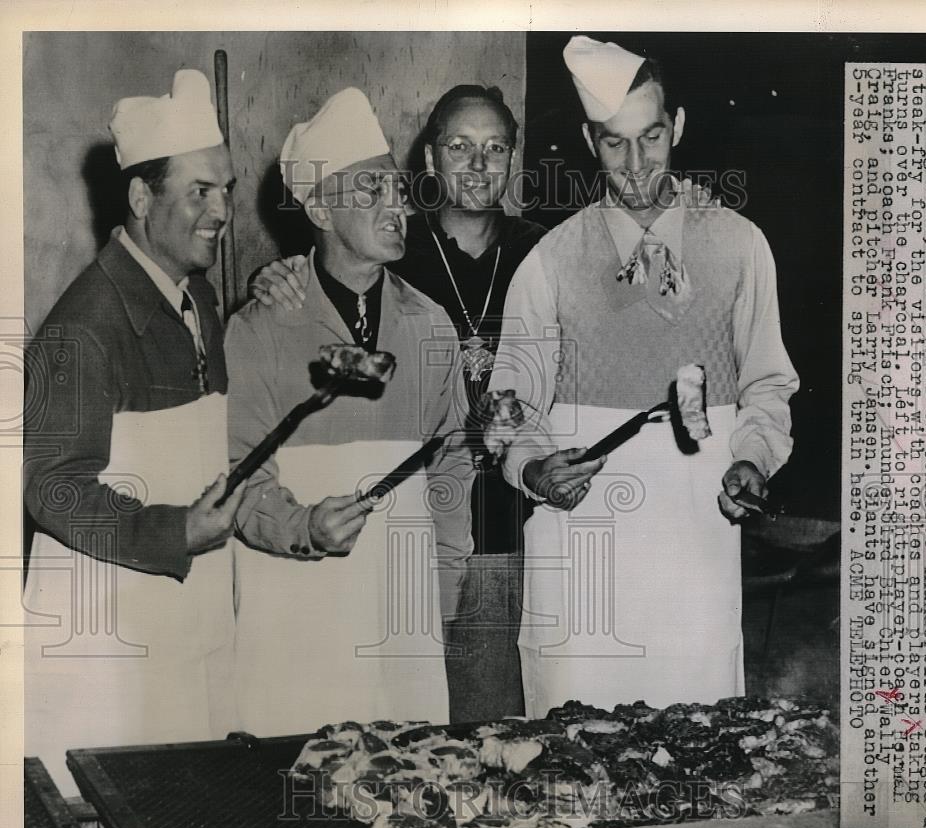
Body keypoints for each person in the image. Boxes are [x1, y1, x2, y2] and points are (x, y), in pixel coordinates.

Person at [488, 36, 800, 717]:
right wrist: (532, 467)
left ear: (678, 126)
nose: (634, 165)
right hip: (585, 572)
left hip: (696, 560)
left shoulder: (742, 248)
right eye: (612, 143)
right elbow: (510, 403)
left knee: (703, 762)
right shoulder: (548, 262)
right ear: (586, 140)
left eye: (651, 137)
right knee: (573, 768)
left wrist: (751, 460)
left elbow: (767, 386)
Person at [248, 85, 546, 722]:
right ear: (431, 160)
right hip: (335, 564)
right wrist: (273, 277)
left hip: (513, 531)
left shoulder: (542, 254)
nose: (478, 164)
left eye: (495, 149)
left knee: (485, 735)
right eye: (460, 147)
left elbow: (450, 460)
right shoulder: (393, 247)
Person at [225, 87, 474, 735]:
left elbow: (449, 472)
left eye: (396, 189)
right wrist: (303, 526)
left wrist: (439, 597)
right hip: (295, 610)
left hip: (402, 621)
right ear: (317, 205)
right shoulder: (261, 328)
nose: (397, 206)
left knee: (412, 787)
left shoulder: (430, 325)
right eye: (370, 191)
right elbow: (238, 475)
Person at [22, 69, 244, 795]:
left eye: (227, 191)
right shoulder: (84, 326)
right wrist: (172, 530)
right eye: (200, 192)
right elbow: (53, 488)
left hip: (180, 625)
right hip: (106, 642)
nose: (223, 212)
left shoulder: (197, 298)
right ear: (142, 199)